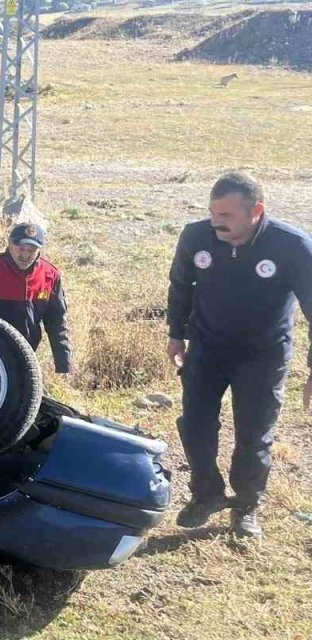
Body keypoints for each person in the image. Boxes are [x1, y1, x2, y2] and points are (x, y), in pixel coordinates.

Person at [167, 171, 312, 538]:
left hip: (263, 355)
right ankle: (206, 494)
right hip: (207, 347)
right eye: (214, 212)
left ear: (256, 211)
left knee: (254, 434)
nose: (217, 222)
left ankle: (246, 505)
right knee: (195, 425)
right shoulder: (196, 236)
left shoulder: (292, 247)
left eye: (227, 215)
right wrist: (175, 335)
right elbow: (181, 285)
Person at [0, 222, 73, 374]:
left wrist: (64, 363)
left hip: (27, 356)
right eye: (21, 248)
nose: (25, 255)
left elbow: (57, 323)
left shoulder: (50, 276)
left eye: (31, 250)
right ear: (10, 244)